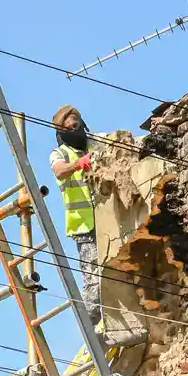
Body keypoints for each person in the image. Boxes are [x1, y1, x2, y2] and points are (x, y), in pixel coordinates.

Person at [50, 105, 146, 348]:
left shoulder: (96, 143)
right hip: (84, 227)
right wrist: (79, 164)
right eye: (69, 128)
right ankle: (91, 331)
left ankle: (128, 323)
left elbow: (121, 143)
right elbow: (60, 172)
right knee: (93, 282)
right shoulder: (60, 153)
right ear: (62, 132)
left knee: (123, 270)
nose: (75, 129)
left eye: (77, 124)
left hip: (111, 222)